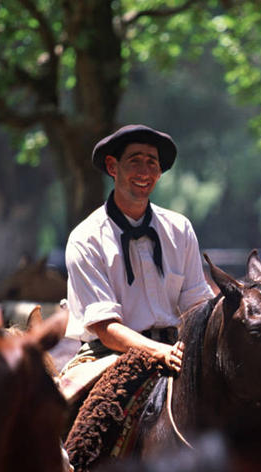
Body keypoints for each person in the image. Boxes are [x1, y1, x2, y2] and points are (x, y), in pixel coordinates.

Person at [58, 124, 214, 403]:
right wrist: (158, 352)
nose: (145, 172)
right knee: (86, 426)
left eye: (151, 163)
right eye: (135, 161)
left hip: (176, 352)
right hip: (107, 357)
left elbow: (198, 308)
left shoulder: (180, 229)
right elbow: (106, 329)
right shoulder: (86, 237)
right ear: (112, 166)